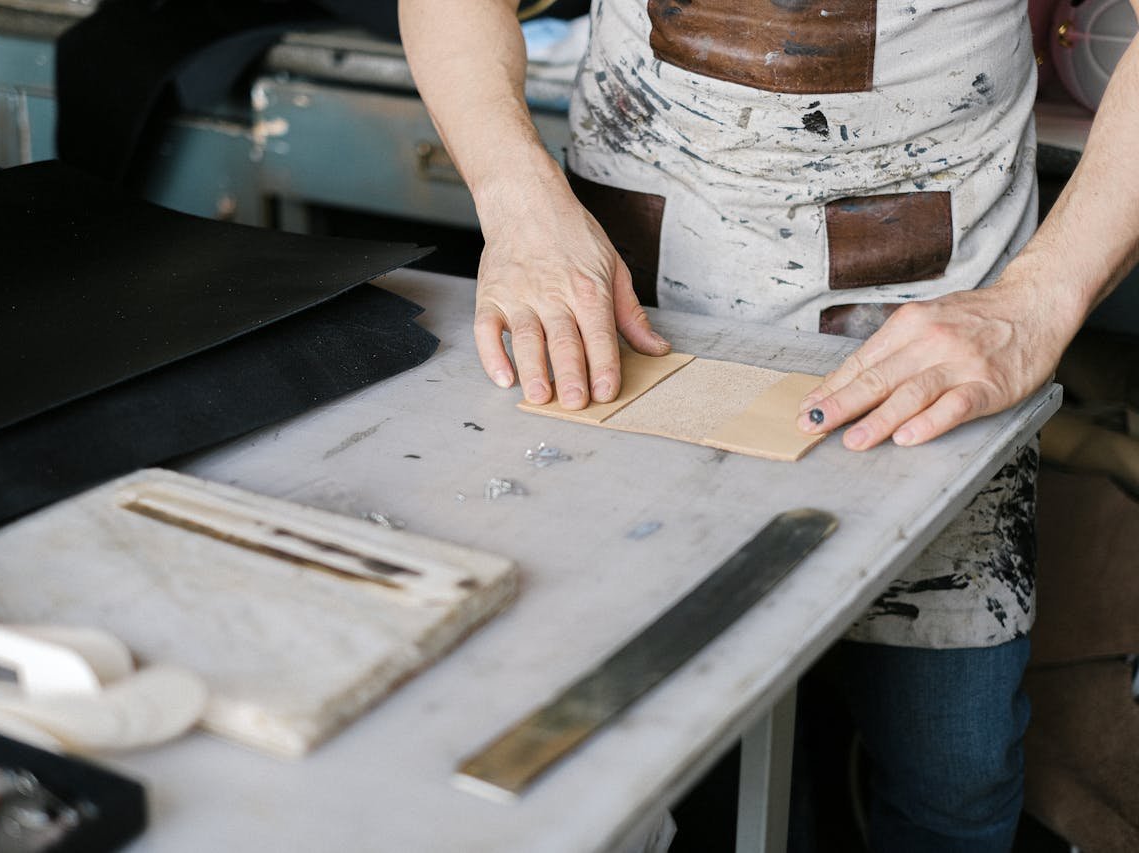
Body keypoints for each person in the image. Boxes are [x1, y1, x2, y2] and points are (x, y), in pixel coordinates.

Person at [399, 1, 1139, 850]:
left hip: (936, 341)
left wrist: (1038, 302)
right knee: (680, 769)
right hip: (639, 314)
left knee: (955, 779)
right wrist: (518, 200)